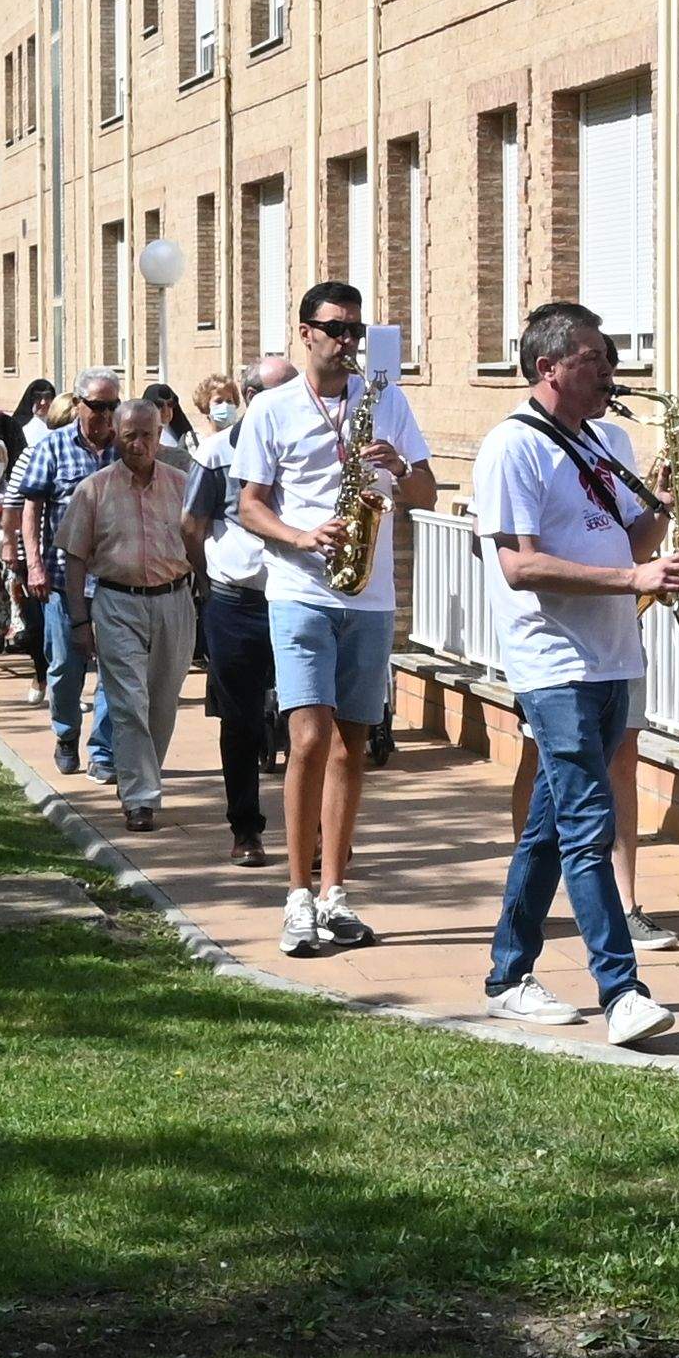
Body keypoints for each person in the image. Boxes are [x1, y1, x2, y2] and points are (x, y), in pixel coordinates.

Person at [470, 303, 679, 1048]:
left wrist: (664, 501)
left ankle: (507, 975)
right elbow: (520, 564)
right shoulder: (512, 448)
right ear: (548, 367)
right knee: (590, 823)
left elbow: (633, 536)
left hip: (613, 656)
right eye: (595, 359)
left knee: (551, 828)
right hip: (553, 661)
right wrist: (635, 576)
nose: (610, 374)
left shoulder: (606, 440)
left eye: (610, 358)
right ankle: (621, 990)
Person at [235, 279, 437, 959]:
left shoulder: (386, 403)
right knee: (310, 737)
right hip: (299, 588)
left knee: (354, 746)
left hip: (369, 593)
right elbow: (250, 506)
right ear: (307, 333)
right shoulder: (272, 407)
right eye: (336, 329)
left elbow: (426, 491)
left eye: (356, 329)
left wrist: (399, 464)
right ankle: (296, 896)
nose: (348, 341)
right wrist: (299, 538)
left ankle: (335, 893)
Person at [60, 387, 207, 827]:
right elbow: (74, 557)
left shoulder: (183, 486)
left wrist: (211, 595)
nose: (138, 444)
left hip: (175, 601)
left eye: (146, 435)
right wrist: (79, 619)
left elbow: (199, 545)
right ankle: (140, 797)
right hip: (117, 603)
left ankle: (140, 778)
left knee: (162, 703)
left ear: (160, 434)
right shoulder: (94, 490)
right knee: (127, 701)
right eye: (128, 436)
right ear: (115, 436)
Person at [189, 357, 293, 868]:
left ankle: (312, 833)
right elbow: (193, 525)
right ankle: (246, 829)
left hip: (299, 598)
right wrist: (208, 581)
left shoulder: (313, 446)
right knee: (242, 720)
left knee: (308, 719)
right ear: (251, 396)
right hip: (236, 601)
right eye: (281, 390)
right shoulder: (216, 452)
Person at [10, 370, 122, 755]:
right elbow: (32, 509)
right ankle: (67, 733)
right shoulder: (52, 448)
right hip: (61, 580)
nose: (106, 415)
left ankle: (103, 749)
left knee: (114, 670)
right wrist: (34, 565)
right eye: (97, 406)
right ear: (78, 404)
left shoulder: (125, 450)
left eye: (112, 406)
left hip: (114, 579)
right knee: (64, 668)